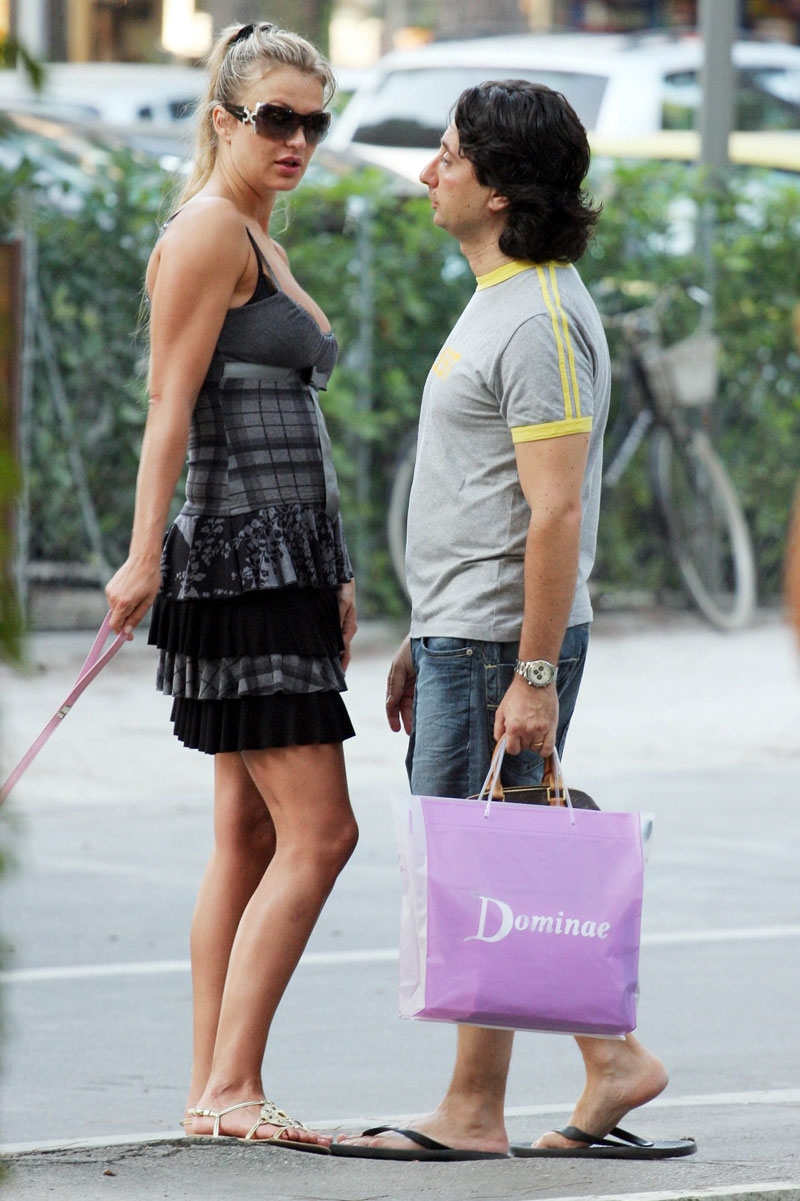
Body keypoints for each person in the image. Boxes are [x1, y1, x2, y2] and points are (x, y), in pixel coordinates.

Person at [334, 81, 694, 1161]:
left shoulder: (539, 317)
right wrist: (423, 631)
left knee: (472, 866)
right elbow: (478, 491)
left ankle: (475, 1108)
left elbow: (554, 510)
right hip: (468, 632)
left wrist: (530, 675)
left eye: (448, 155)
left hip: (500, 641)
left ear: (498, 188)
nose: (427, 172)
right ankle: (607, 1060)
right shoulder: (501, 296)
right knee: (497, 849)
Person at [105, 21, 358, 1149]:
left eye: (314, 121)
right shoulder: (210, 229)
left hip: (284, 559)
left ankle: (213, 1092)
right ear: (223, 118)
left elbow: (290, 417)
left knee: (249, 837)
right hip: (241, 557)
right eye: (275, 119)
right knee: (323, 833)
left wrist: (334, 568)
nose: (297, 139)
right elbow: (169, 404)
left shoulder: (257, 227)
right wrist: (141, 553)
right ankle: (233, 1087)